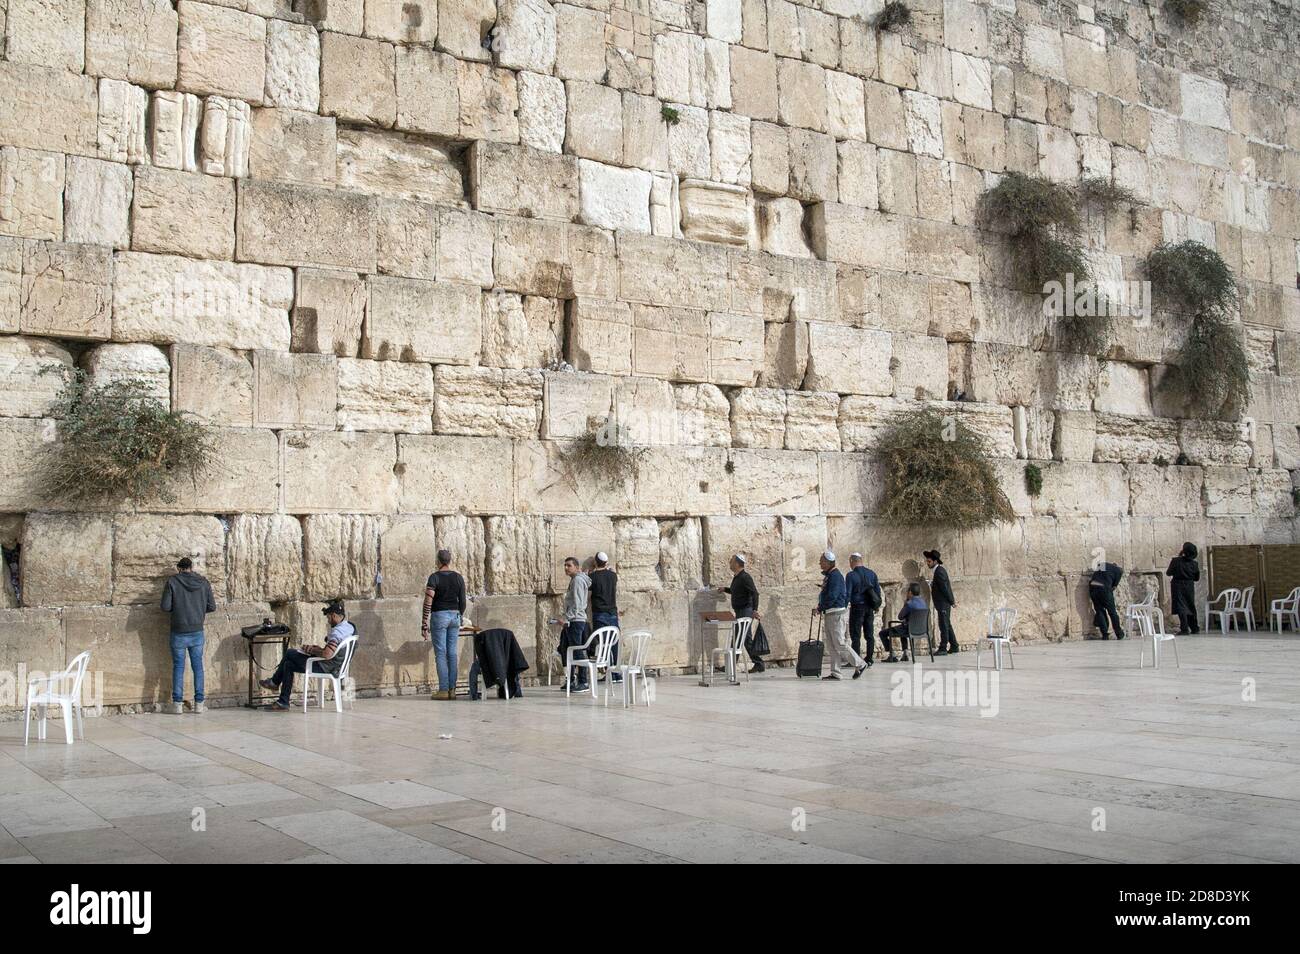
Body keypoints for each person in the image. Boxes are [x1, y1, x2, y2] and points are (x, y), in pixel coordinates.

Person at [260, 601, 356, 710]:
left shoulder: (337, 632)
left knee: (290, 653)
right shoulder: (349, 627)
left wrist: (311, 650)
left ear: (334, 615)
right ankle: (283, 702)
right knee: (288, 664)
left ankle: (274, 682)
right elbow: (332, 650)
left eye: (329, 617)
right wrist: (316, 649)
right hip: (337, 666)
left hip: (327, 667)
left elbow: (327, 654)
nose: (328, 621)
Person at [160, 556, 215, 715]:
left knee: (178, 667)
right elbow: (212, 606)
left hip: (178, 631)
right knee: (197, 667)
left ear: (179, 568)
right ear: (191, 567)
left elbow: (165, 606)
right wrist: (197, 610)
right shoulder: (203, 582)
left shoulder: (172, 582)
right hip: (197, 631)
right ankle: (199, 704)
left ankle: (177, 704)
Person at [814, 550, 867, 680]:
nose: (819, 563)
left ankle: (860, 664)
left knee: (839, 643)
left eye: (821, 561)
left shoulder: (836, 576)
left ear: (827, 562)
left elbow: (833, 596)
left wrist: (820, 608)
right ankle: (836, 672)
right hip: (830, 613)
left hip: (836, 614)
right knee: (832, 645)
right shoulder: (830, 575)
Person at [422, 549, 466, 700]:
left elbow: (428, 601)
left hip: (439, 616)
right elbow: (463, 601)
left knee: (441, 653)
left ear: (438, 561)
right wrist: (460, 615)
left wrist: (424, 623)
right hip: (455, 615)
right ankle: (452, 690)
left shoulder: (434, 578)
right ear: (449, 560)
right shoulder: (458, 577)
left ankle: (443, 690)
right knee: (452, 653)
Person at [717, 553, 763, 673]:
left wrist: (755, 610)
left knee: (742, 637)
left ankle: (757, 663)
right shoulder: (737, 577)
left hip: (746, 611)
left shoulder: (745, 577)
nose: (730, 563)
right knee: (739, 637)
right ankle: (734, 664)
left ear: (737, 563)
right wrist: (725, 589)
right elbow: (736, 591)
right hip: (740, 611)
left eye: (731, 561)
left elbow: (755, 593)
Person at [558, 556, 592, 692]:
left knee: (577, 651)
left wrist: (567, 618)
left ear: (577, 567)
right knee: (567, 650)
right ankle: (571, 680)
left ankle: (583, 681)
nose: (566, 568)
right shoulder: (575, 580)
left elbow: (578, 605)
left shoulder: (577, 580)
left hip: (576, 621)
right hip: (573, 620)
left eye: (569, 565)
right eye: (565, 565)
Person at [845, 552, 881, 667]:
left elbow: (848, 593)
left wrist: (844, 605)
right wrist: (876, 606)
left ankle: (856, 660)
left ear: (852, 561)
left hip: (857, 607)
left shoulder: (851, 575)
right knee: (869, 634)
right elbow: (877, 592)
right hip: (869, 608)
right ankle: (869, 658)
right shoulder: (872, 574)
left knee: (856, 635)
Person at [589, 551, 621, 677]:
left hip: (600, 613)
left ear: (595, 562)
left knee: (603, 643)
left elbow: (588, 594)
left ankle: (609, 673)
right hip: (613, 613)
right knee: (614, 643)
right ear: (606, 562)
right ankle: (616, 674)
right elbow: (611, 572)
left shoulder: (592, 577)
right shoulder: (613, 576)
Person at [880, 583, 927, 663]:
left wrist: (906, 603)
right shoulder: (923, 603)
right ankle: (905, 653)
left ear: (910, 592)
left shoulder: (909, 603)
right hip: (921, 630)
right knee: (903, 627)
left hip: (908, 629)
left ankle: (892, 655)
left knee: (882, 633)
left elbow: (900, 617)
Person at [924, 550, 958, 654]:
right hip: (942, 603)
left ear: (935, 561)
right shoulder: (938, 571)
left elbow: (945, 588)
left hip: (943, 603)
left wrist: (951, 601)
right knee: (947, 624)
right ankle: (954, 646)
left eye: (929, 561)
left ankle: (943, 648)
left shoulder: (939, 571)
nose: (927, 563)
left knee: (943, 625)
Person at [1167, 542, 1201, 635]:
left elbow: (1168, 572)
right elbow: (1197, 578)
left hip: (1177, 585)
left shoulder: (1176, 561)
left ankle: (1184, 628)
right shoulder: (1194, 564)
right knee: (1190, 606)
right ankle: (1194, 627)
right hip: (1189, 585)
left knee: (1181, 607)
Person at [1089, 560, 1125, 640]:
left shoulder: (1102, 564)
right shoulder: (1119, 571)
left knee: (1099, 611)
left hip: (1093, 587)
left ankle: (1105, 635)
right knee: (1112, 612)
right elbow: (1113, 587)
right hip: (1104, 588)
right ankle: (1119, 633)